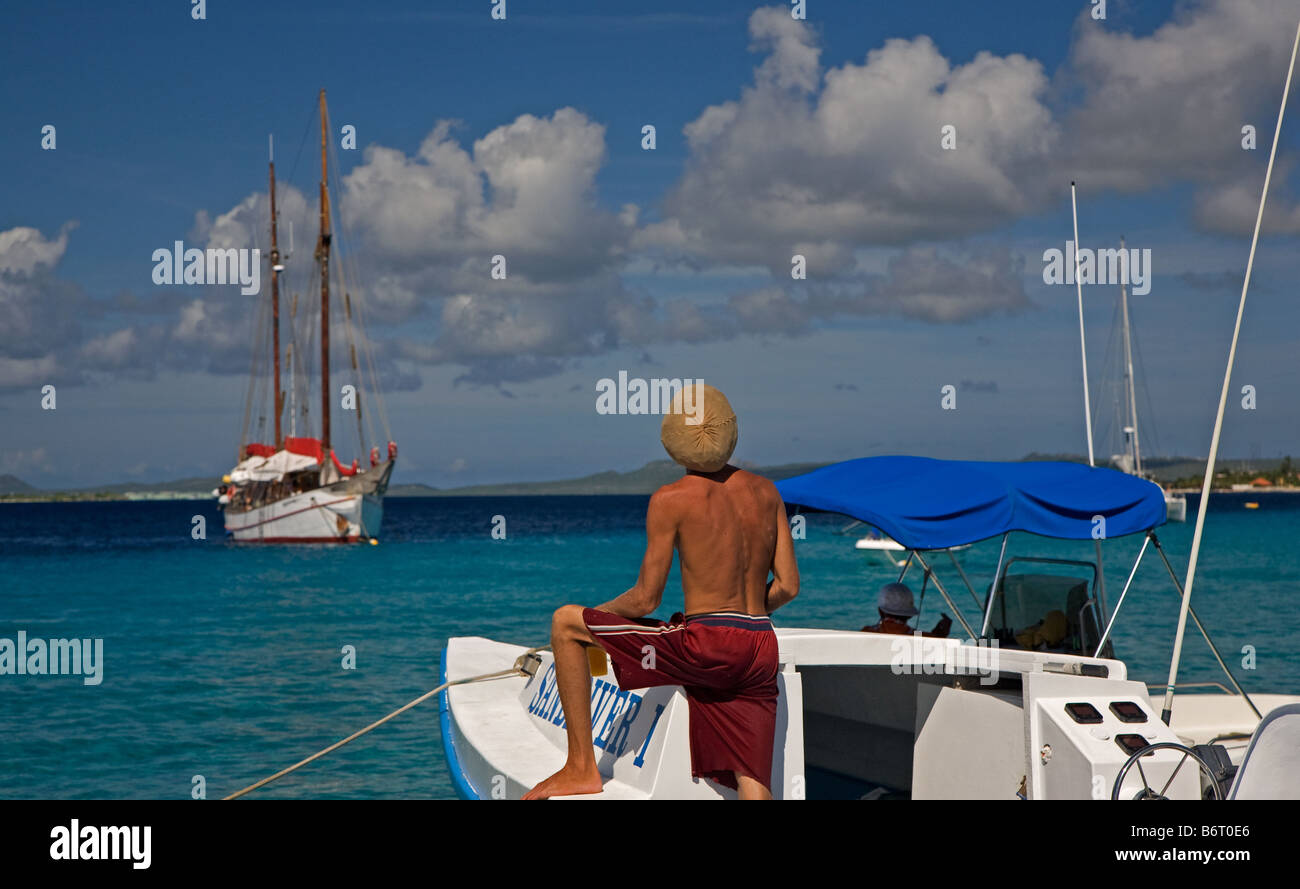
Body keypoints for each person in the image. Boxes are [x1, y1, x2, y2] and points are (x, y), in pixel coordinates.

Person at [523, 383, 799, 800]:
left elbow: (646, 599)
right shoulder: (767, 492)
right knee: (753, 778)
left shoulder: (671, 499)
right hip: (760, 644)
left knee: (565, 621)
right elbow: (788, 586)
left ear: (672, 442)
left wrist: (597, 618)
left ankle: (581, 768)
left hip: (706, 645)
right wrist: (748, 613)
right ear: (732, 432)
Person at [861, 582, 951, 637]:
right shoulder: (921, 637)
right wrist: (939, 635)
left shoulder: (867, 632)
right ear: (910, 616)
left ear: (880, 612)